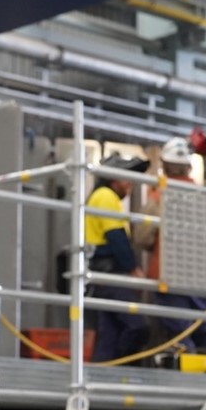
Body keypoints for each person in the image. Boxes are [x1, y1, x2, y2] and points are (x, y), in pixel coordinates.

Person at [136, 137, 206, 354]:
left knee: (178, 334)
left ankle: (188, 379)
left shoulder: (159, 195)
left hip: (170, 274)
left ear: (165, 167)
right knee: (203, 329)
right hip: (203, 278)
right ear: (189, 167)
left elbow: (142, 236)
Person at [84, 152, 151, 362]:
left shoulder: (102, 196)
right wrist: (134, 269)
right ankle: (122, 370)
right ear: (113, 179)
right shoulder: (105, 196)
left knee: (109, 335)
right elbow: (116, 238)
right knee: (137, 327)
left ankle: (103, 377)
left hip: (101, 276)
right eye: (126, 178)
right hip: (109, 274)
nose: (130, 184)